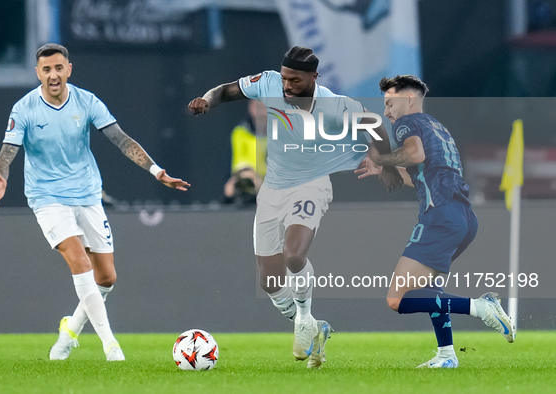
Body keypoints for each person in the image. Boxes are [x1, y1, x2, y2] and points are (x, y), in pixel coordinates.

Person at [188, 46, 402, 368]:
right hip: (273, 188)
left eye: (296, 81)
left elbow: (375, 126)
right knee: (269, 282)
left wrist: (386, 165)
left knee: (294, 255)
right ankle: (317, 328)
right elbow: (226, 91)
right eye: (285, 78)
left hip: (312, 184)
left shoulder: (334, 105)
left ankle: (303, 320)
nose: (287, 86)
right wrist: (206, 99)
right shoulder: (270, 82)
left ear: (314, 77)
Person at [0, 43, 190, 361]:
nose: (53, 75)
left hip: (87, 194)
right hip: (47, 197)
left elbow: (121, 139)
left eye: (58, 68)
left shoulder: (87, 101)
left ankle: (69, 332)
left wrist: (155, 171)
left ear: (69, 69)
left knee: (106, 278)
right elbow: (5, 155)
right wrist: (1, 179)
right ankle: (112, 346)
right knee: (79, 262)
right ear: (37, 72)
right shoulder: (24, 108)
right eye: (46, 69)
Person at [356, 75, 515, 368]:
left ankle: (481, 307)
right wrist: (384, 171)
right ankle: (447, 355)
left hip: (440, 217)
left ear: (409, 100)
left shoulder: (407, 123)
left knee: (398, 299)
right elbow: (422, 177)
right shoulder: (438, 128)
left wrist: (381, 160)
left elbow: (413, 153)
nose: (387, 112)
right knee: (430, 292)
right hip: (463, 218)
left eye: (390, 104)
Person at [224, 100, 267, 206]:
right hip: (252, 182)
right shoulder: (240, 133)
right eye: (257, 107)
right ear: (251, 109)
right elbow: (242, 164)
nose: (261, 112)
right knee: (231, 188)